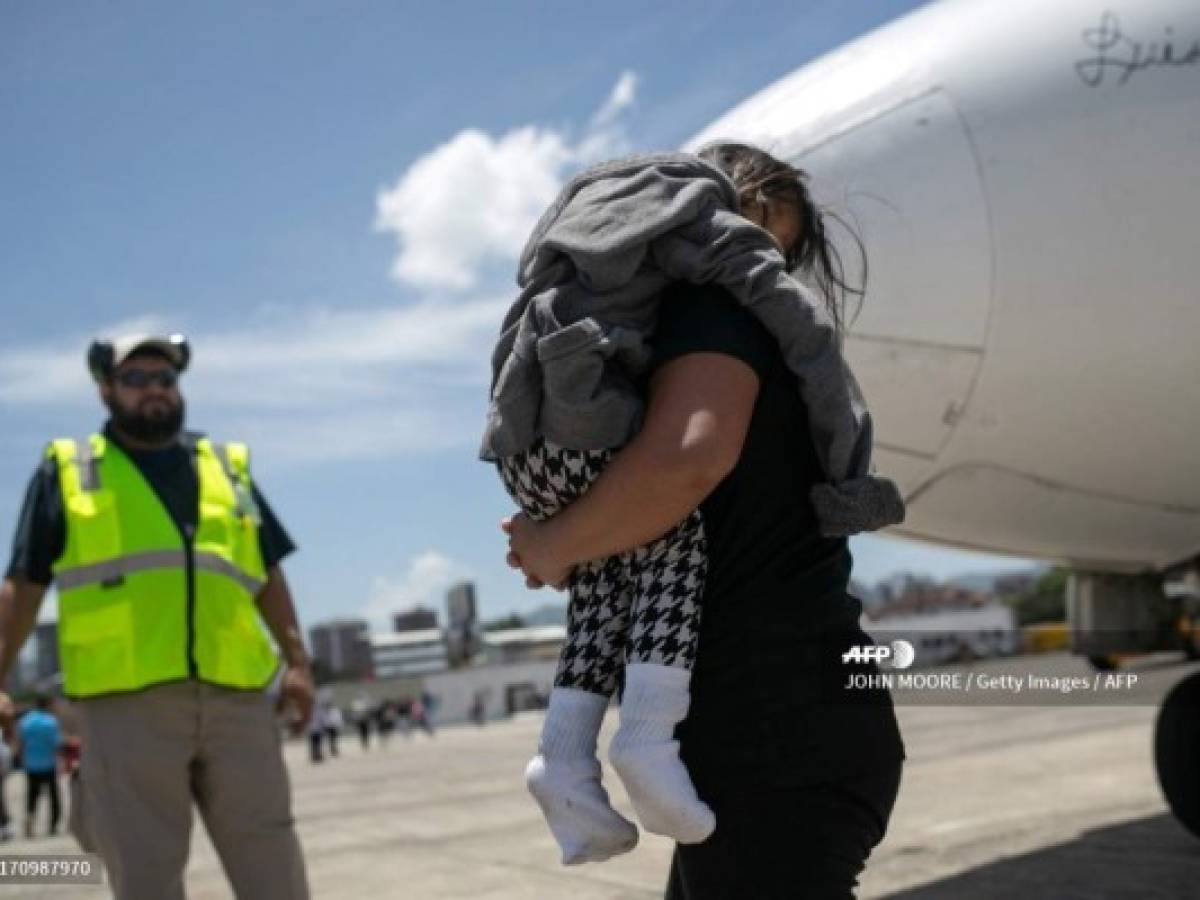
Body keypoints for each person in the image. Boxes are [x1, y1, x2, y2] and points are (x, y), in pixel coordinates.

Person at [499, 145, 905, 896]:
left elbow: (687, 460)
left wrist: (554, 545)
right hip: (775, 730)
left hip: (777, 730)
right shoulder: (724, 322)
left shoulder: (717, 308)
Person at [0, 334, 312, 899]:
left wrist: (298, 663)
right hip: (127, 706)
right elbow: (23, 586)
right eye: (136, 380)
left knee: (276, 873)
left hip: (237, 700)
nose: (155, 392)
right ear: (105, 390)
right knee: (146, 881)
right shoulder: (69, 473)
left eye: (165, 380)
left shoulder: (227, 471)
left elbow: (268, 575)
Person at [16, 695, 61, 838]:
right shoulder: (50, 722)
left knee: (32, 796)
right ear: (47, 705)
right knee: (53, 795)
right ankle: (53, 825)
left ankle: (30, 820)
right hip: (48, 763)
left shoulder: (25, 721)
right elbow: (56, 743)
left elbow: (20, 743)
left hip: (31, 764)